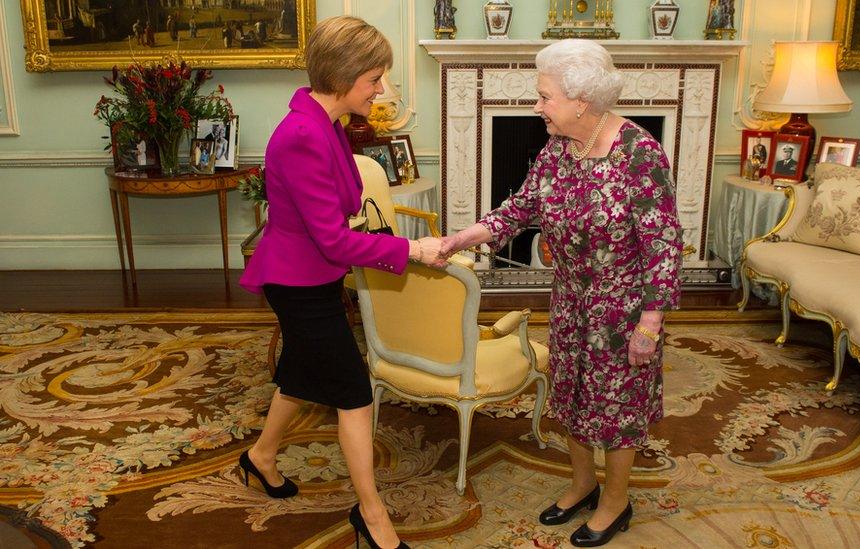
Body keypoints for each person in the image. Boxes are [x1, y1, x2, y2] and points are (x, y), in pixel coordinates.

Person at [437, 39, 682, 548]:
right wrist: (459, 238)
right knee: (572, 396)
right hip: (570, 298)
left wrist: (651, 324)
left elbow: (663, 243)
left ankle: (615, 501)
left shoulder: (640, 152)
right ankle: (582, 483)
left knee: (617, 407)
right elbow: (519, 209)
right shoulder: (557, 149)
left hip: (624, 306)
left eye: (544, 96)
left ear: (581, 100)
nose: (537, 105)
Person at [238, 16, 440, 549]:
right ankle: (372, 517)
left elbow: (345, 202)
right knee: (353, 392)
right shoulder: (303, 133)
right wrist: (413, 248)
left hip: (314, 271)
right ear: (345, 74)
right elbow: (333, 239)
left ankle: (259, 457)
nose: (381, 90)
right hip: (297, 278)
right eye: (374, 79)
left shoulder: (325, 120)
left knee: (303, 372)